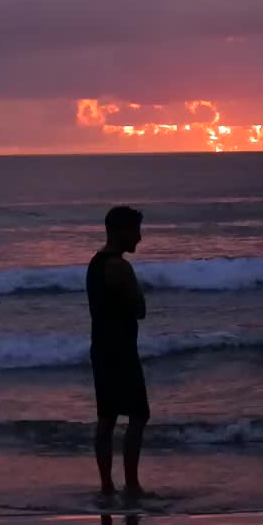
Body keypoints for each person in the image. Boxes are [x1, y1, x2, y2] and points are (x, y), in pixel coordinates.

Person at [86, 205, 150, 499]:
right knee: (138, 415)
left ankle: (106, 485)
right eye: (136, 231)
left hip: (101, 348)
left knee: (107, 417)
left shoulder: (95, 263)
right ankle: (132, 485)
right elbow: (140, 310)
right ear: (122, 231)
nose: (139, 238)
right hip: (121, 349)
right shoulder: (119, 267)